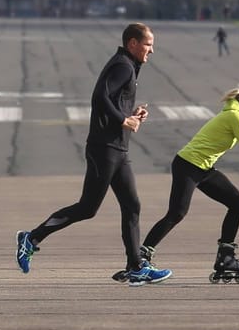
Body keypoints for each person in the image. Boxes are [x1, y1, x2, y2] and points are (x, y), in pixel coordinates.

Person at [16, 23, 170, 285]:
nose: (151, 50)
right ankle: (31, 238)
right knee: (88, 207)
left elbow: (112, 99)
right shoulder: (122, 64)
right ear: (132, 43)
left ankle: (135, 267)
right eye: (148, 44)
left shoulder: (128, 65)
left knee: (132, 206)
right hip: (105, 149)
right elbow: (99, 97)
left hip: (118, 149)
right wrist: (123, 120)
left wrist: (133, 115)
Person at [138, 82, 239, 283]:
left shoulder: (235, 115)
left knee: (237, 203)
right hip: (188, 165)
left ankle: (226, 258)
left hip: (203, 168)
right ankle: (141, 257)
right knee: (177, 213)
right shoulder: (234, 116)